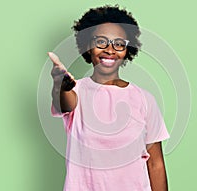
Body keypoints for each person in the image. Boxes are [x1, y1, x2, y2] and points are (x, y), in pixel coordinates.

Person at [48, 5, 170, 191]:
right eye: (101, 42)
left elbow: (156, 164)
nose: (110, 50)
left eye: (119, 43)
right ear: (88, 46)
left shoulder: (145, 99)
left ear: (127, 49)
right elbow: (66, 103)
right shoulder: (76, 90)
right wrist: (60, 85)